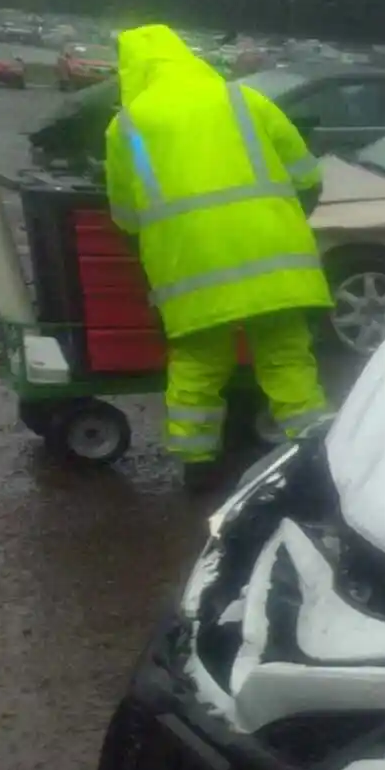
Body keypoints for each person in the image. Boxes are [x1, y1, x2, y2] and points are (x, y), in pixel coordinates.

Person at [104, 25, 331, 491]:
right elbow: (307, 175)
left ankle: (198, 468)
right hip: (275, 257)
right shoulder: (241, 99)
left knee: (198, 366)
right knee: (288, 359)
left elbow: (127, 213)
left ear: (131, 69)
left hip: (192, 268)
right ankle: (315, 458)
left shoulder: (129, 125)